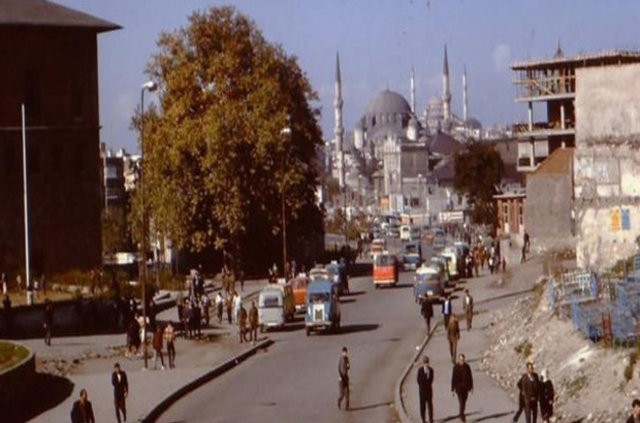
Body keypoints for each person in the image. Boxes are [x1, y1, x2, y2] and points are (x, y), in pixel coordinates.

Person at [451, 353, 473, 422]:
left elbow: (470, 377)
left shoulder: (467, 367)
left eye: (463, 360)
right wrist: (453, 389)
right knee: (461, 402)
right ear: (459, 360)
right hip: (459, 388)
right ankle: (462, 416)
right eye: (461, 360)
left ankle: (461, 413)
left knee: (464, 402)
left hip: (466, 388)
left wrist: (471, 387)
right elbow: (453, 378)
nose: (462, 361)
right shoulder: (455, 367)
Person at [416, 355, 434, 423]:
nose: (426, 364)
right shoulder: (420, 370)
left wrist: (427, 384)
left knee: (430, 405)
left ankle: (431, 419)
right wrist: (422, 386)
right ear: (423, 363)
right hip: (422, 391)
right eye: (425, 362)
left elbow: (431, 380)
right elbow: (418, 380)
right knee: (422, 406)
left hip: (429, 390)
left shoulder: (431, 370)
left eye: (427, 362)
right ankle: (423, 419)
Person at [338, 346, 350, 410]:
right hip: (341, 378)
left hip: (346, 378)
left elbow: (348, 367)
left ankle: (347, 407)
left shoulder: (347, 358)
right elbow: (339, 368)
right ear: (342, 352)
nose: (345, 353)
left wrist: (348, 366)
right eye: (344, 352)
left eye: (346, 352)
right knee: (342, 394)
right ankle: (339, 401)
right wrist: (341, 376)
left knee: (347, 393)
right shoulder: (341, 359)